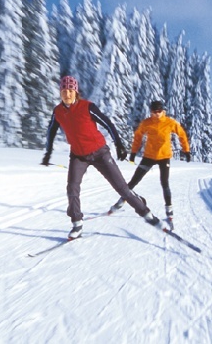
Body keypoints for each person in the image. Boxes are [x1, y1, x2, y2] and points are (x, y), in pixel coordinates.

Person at [41, 76, 165, 240]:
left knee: (122, 189)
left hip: (99, 152)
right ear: (60, 93)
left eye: (70, 91)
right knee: (72, 188)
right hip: (78, 156)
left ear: (76, 92)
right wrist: (48, 152)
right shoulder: (58, 112)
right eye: (64, 91)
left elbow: (108, 124)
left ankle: (147, 214)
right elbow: (51, 131)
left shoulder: (87, 107)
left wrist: (119, 144)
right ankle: (77, 223)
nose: (67, 94)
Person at [108, 100, 190, 229]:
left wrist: (186, 150)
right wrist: (133, 152)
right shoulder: (147, 123)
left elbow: (182, 135)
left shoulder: (170, 122)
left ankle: (169, 212)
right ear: (151, 111)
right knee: (133, 182)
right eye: (154, 112)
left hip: (164, 157)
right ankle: (118, 204)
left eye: (159, 111)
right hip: (149, 157)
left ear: (163, 111)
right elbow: (138, 136)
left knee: (165, 183)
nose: (156, 114)